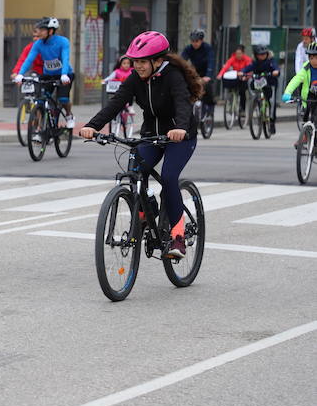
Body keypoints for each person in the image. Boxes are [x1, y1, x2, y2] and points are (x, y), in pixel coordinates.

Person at [80, 31, 201, 259]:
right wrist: (93, 126)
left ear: (158, 61)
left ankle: (178, 237)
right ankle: (146, 209)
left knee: (168, 177)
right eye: (135, 61)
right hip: (150, 135)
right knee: (135, 168)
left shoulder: (173, 76)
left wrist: (181, 129)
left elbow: (183, 104)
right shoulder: (136, 78)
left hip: (179, 136)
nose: (138, 66)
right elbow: (116, 103)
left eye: (143, 61)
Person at [12, 17, 75, 127]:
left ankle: (69, 115)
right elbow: (29, 59)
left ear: (50, 31)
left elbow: (65, 59)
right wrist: (20, 74)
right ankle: (40, 129)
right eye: (38, 29)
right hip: (48, 75)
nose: (39, 32)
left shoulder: (63, 42)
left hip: (64, 74)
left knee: (63, 99)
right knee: (40, 101)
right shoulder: (38, 44)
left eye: (42, 30)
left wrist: (64, 74)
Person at [240, 43, 280, 133]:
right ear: (256, 55)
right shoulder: (255, 62)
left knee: (271, 101)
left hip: (270, 83)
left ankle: (272, 121)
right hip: (259, 82)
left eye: (264, 54)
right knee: (252, 87)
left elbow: (275, 67)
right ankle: (257, 103)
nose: (262, 56)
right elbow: (248, 68)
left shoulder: (270, 61)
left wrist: (276, 71)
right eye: (260, 55)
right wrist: (242, 72)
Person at [282, 42, 317, 128]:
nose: (314, 61)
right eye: (311, 58)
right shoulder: (305, 69)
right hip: (309, 96)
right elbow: (295, 80)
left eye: (316, 58)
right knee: (306, 116)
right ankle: (304, 135)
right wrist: (287, 93)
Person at [181, 29, 215, 113]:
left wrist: (208, 75)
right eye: (192, 41)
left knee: (207, 89)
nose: (194, 43)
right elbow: (182, 61)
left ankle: (210, 108)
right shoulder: (188, 49)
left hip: (207, 72)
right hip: (196, 72)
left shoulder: (207, 48)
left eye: (197, 41)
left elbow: (211, 61)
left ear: (202, 40)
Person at [216, 45, 252, 113]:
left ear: (243, 53)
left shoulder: (247, 59)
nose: (238, 55)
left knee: (242, 92)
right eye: (237, 54)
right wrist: (220, 74)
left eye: (240, 53)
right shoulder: (232, 59)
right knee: (231, 88)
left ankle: (243, 109)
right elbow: (226, 67)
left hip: (244, 76)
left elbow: (249, 69)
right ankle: (230, 103)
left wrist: (246, 76)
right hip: (235, 76)